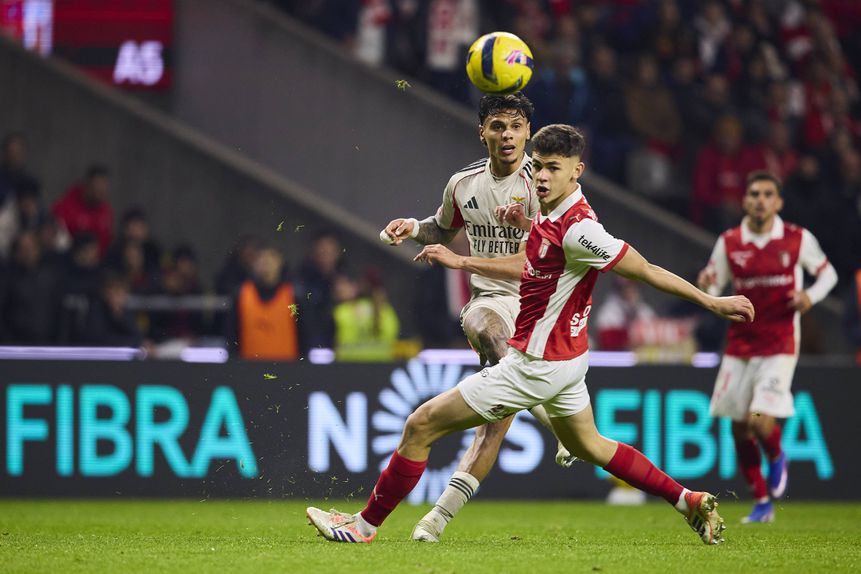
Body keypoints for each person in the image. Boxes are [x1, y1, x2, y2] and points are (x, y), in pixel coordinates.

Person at [308, 124, 755, 545]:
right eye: (537, 165)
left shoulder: (581, 229)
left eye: (553, 168)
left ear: (577, 170)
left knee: (420, 425)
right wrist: (525, 225)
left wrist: (714, 302)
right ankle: (688, 501)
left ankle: (362, 526)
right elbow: (548, 251)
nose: (540, 176)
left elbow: (646, 270)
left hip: (535, 365)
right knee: (593, 445)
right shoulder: (551, 211)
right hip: (568, 360)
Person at [379, 93, 572, 543]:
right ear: (481, 131)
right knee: (487, 330)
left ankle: (435, 521)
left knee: (494, 424)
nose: (507, 135)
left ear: (529, 132)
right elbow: (441, 230)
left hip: (543, 303)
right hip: (490, 301)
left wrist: (462, 262)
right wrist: (411, 227)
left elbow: (536, 261)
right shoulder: (463, 184)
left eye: (516, 126)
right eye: (498, 126)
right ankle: (551, 418)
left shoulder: (543, 186)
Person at [697, 170, 838, 524]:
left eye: (767, 194)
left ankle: (776, 457)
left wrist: (810, 295)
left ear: (778, 202)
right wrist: (708, 286)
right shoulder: (729, 242)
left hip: (780, 343)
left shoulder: (796, 239)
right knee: (738, 427)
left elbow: (829, 274)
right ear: (745, 201)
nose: (760, 200)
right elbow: (714, 288)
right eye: (754, 194)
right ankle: (761, 502)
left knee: (759, 422)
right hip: (740, 345)